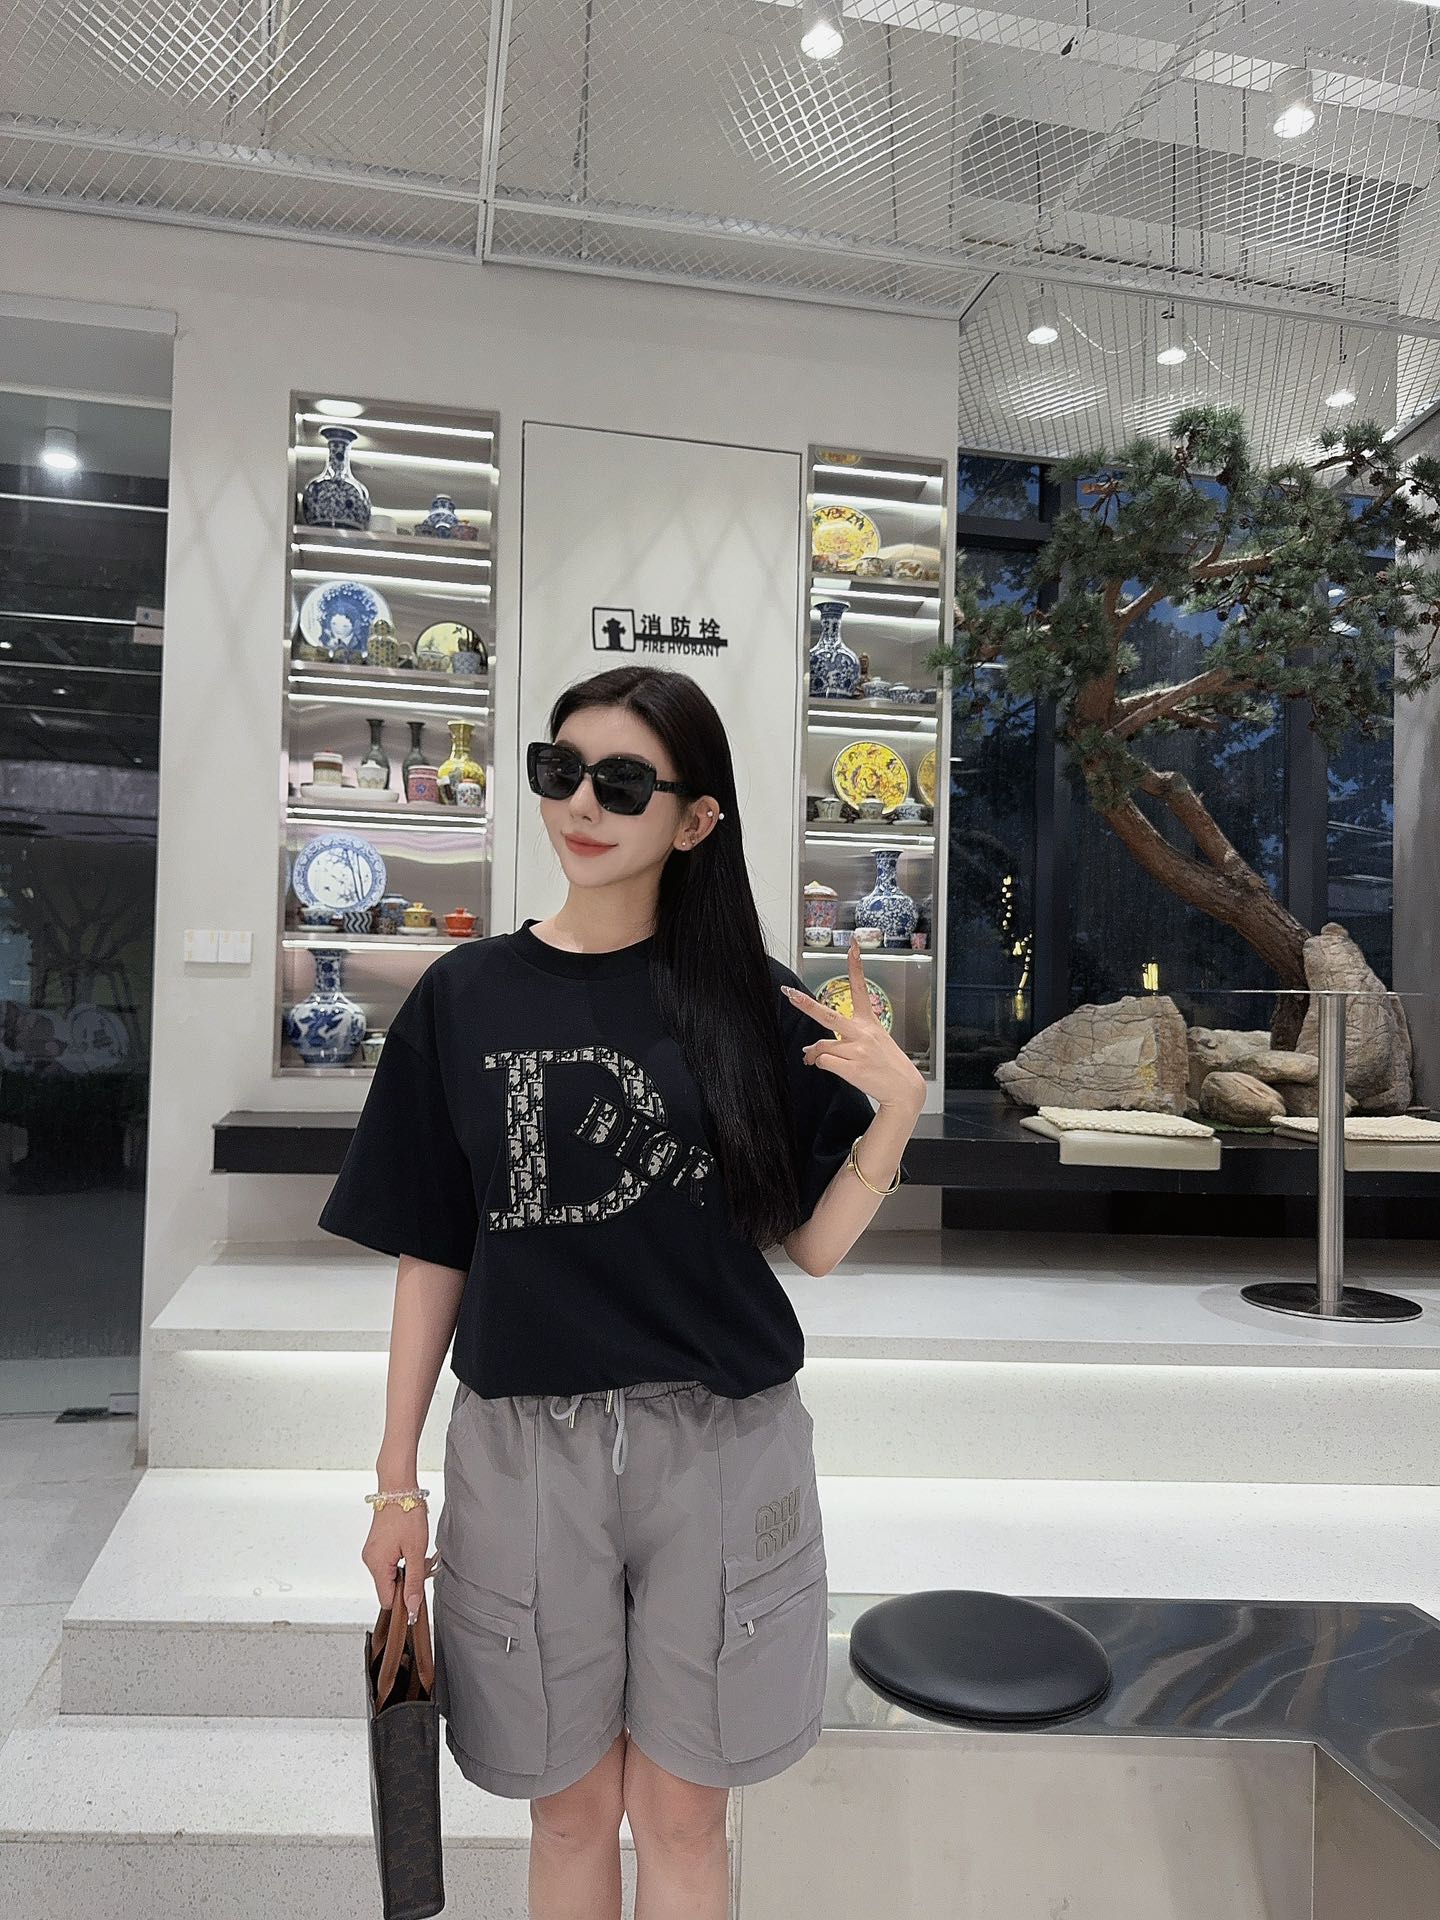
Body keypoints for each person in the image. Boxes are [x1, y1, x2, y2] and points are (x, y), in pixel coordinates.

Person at [317, 662, 924, 1920]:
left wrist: (897, 1112)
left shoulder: (751, 1004)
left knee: (684, 1814)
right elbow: (436, 1248)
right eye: (561, 771)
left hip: (723, 1443)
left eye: (623, 782)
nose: (582, 803)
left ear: (695, 819)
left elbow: (810, 1249)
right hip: (523, 1446)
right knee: (569, 1808)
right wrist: (394, 1481)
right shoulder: (463, 998)